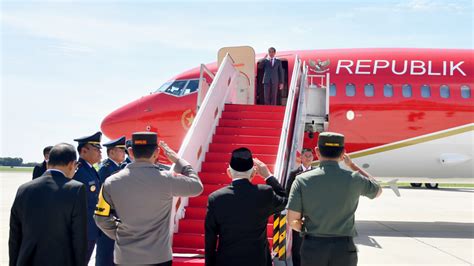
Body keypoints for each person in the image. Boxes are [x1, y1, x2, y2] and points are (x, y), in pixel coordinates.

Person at [94, 132, 203, 266]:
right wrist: (179, 161)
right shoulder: (167, 179)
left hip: (126, 257)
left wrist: (120, 233)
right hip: (158, 256)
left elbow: (100, 217)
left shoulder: (111, 182)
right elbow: (197, 187)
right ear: (157, 152)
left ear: (130, 152)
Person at [287, 132, 383, 266]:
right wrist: (352, 166)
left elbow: (292, 221)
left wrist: (309, 228)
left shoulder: (301, 180)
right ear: (343, 153)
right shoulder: (354, 179)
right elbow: (378, 189)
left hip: (313, 247)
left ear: (317, 151)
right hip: (343, 249)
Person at [204, 148, 287, 266]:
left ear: (229, 172)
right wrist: (268, 176)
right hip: (258, 261)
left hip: (227, 261)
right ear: (253, 173)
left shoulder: (216, 198)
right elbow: (285, 201)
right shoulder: (264, 193)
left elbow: (210, 238)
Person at [9, 143, 87, 266]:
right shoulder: (76, 189)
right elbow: (79, 239)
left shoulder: (23, 189)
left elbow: (14, 237)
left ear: (47, 163)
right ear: (72, 164)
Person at [73, 131, 103, 263]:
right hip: (82, 230)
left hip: (90, 228)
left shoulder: (90, 169)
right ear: (84, 151)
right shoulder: (78, 171)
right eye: (96, 149)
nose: (100, 152)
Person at [96, 136, 126, 266]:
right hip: (108, 217)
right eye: (121, 150)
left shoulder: (120, 168)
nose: (124, 153)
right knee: (106, 256)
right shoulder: (106, 169)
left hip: (117, 217)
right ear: (112, 152)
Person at [285, 148, 314, 266]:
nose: (308, 158)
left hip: (313, 213)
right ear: (301, 158)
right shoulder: (294, 173)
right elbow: (288, 192)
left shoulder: (318, 172)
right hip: (298, 214)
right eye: (306, 156)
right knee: (298, 245)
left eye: (310, 156)